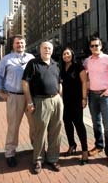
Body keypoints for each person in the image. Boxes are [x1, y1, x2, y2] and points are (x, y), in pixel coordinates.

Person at [0, 34, 35, 167]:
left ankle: (37, 149)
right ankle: (10, 153)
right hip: (14, 97)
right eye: (17, 43)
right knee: (13, 127)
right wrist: (0, 92)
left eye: (22, 43)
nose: (20, 45)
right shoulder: (7, 59)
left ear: (25, 44)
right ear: (13, 45)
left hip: (30, 97)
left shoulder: (31, 58)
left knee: (35, 125)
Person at [22, 41, 63, 174]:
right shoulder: (33, 64)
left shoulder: (55, 64)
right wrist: (29, 102)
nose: (47, 50)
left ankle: (52, 158)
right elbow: (25, 83)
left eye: (49, 48)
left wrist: (59, 97)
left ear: (52, 50)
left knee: (56, 131)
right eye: (44, 48)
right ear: (40, 50)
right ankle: (38, 159)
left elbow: (59, 82)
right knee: (40, 131)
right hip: (40, 101)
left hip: (56, 100)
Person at [83, 36, 108, 169]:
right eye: (92, 46)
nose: (94, 48)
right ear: (90, 48)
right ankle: (99, 146)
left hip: (105, 96)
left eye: (96, 45)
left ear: (101, 46)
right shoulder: (88, 61)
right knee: (95, 123)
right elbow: (83, 74)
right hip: (93, 96)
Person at [60, 47, 88, 165]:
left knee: (79, 124)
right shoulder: (62, 68)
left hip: (77, 100)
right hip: (66, 101)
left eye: (68, 53)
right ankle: (72, 145)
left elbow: (84, 82)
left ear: (72, 54)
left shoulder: (78, 67)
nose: (66, 56)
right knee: (67, 123)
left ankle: (85, 151)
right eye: (64, 54)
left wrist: (84, 98)